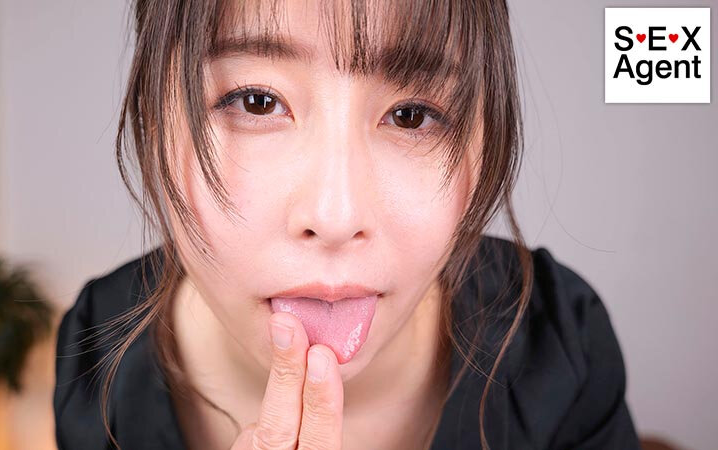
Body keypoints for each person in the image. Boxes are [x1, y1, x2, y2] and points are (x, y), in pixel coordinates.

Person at [54, 0, 642, 448]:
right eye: (256, 101)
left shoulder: (558, 352)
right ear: (152, 119)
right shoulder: (95, 359)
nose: (336, 216)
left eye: (411, 115)